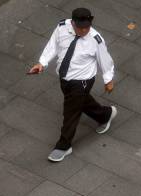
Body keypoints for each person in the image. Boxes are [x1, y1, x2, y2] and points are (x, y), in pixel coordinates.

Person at [28, 7, 117, 162]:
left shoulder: (95, 40)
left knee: (70, 112)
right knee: (80, 103)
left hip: (82, 81)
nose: (84, 30)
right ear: (73, 23)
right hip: (64, 77)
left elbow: (105, 60)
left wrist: (108, 79)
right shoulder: (62, 27)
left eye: (87, 27)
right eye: (80, 27)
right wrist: (42, 63)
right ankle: (105, 114)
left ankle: (63, 146)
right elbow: (53, 45)